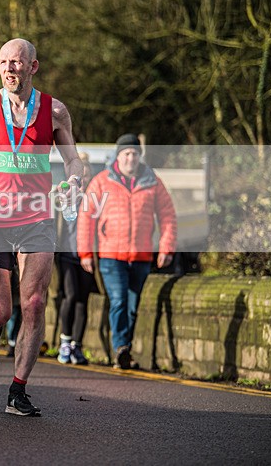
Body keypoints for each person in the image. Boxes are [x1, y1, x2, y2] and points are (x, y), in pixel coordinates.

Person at [0, 38, 83, 416]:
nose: (9, 69)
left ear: (33, 66)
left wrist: (74, 181)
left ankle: (18, 389)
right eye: (3, 63)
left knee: (35, 302)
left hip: (36, 218)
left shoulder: (55, 110)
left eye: (16, 62)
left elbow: (74, 160)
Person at [78, 134, 177, 370]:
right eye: (126, 153)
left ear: (139, 156)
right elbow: (86, 217)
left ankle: (125, 349)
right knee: (119, 300)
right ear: (118, 156)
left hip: (141, 255)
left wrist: (166, 247)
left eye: (134, 154)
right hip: (111, 255)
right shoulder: (101, 182)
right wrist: (85, 252)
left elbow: (168, 216)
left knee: (133, 307)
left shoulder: (153, 181)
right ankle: (121, 347)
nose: (130, 158)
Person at [56, 152, 97, 365]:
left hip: (87, 256)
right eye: (80, 177)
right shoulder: (63, 197)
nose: (83, 181)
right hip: (66, 255)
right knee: (70, 295)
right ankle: (65, 341)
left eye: (87, 176)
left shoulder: (96, 199)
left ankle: (77, 346)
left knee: (83, 299)